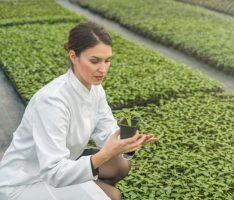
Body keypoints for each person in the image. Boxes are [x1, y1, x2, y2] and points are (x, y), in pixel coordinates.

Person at [0, 22, 159, 200]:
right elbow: (53, 172)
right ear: (74, 57)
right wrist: (105, 154)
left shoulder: (95, 88)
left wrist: (127, 142)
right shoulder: (52, 101)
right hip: (25, 180)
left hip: (64, 164)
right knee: (112, 196)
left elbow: (107, 130)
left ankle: (87, 187)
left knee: (120, 164)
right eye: (95, 61)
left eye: (107, 61)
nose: (103, 69)